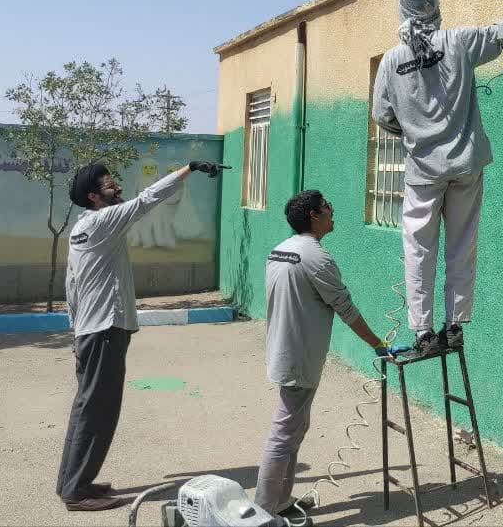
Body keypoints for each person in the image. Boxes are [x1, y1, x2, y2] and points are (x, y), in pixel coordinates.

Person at [371, 0, 503, 357]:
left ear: (403, 15)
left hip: (423, 171)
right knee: (462, 245)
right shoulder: (458, 41)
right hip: (465, 165)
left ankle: (423, 332)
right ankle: (454, 326)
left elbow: (380, 114)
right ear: (436, 13)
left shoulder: (391, 61)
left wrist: (412, 131)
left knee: (418, 250)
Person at [55, 159, 227, 511]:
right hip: (103, 331)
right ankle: (77, 492)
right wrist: (188, 168)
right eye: (109, 185)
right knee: (99, 411)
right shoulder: (104, 221)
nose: (117, 187)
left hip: (91, 330)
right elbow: (148, 199)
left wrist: (76, 327)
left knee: (86, 409)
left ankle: (73, 482)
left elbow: (71, 283)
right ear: (93, 196)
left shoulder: (82, 229)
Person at [254, 190, 396, 517]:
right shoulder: (317, 257)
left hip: (283, 349)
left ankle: (279, 501)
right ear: (315, 216)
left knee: (294, 427)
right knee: (285, 430)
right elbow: (345, 308)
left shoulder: (281, 250)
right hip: (300, 356)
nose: (332, 211)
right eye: (327, 207)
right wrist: (377, 343)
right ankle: (263, 511)